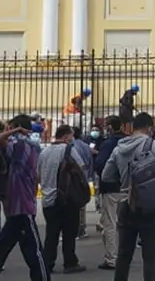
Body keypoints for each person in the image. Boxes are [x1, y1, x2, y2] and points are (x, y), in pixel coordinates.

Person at [102, 111, 155, 281]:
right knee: (150, 257)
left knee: (124, 255)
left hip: (127, 202)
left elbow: (106, 175)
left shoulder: (119, 148)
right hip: (149, 204)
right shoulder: (153, 146)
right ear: (149, 128)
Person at [0, 115, 49, 281]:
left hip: (21, 205)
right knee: (5, 243)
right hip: (19, 204)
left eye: (10, 127)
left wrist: (14, 131)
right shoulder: (29, 145)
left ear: (18, 127)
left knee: (34, 251)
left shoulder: (20, 145)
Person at [37, 125, 87, 274]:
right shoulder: (69, 150)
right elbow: (81, 168)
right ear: (66, 137)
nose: (72, 139)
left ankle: (48, 263)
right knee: (69, 232)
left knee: (51, 233)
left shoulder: (43, 152)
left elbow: (38, 174)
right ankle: (70, 262)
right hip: (66, 199)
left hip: (48, 199)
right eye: (71, 136)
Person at [93, 116, 127, 271]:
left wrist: (108, 175)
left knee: (111, 224)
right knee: (127, 224)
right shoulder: (130, 142)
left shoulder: (109, 144)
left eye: (106, 126)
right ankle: (126, 254)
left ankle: (112, 259)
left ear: (111, 128)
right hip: (129, 187)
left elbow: (99, 164)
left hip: (111, 188)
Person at [69, 127, 94, 240]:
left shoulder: (71, 146)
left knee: (73, 205)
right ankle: (82, 229)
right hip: (85, 176)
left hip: (74, 177)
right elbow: (90, 162)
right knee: (82, 205)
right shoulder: (85, 146)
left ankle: (75, 230)